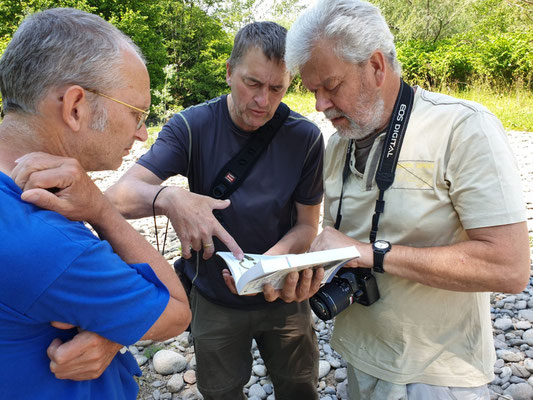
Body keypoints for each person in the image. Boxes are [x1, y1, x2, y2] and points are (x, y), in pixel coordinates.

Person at [285, 0, 530, 399]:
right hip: (358, 358)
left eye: (330, 86)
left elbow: (510, 267)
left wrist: (372, 253)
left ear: (377, 67)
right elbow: (342, 246)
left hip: (436, 375)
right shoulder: (337, 145)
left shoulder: (463, 128)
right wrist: (302, 274)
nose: (319, 105)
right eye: (313, 90)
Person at [105, 21, 325, 400]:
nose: (263, 101)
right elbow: (117, 197)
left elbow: (307, 225)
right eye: (252, 84)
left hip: (284, 293)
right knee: (220, 391)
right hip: (213, 297)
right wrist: (170, 198)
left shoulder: (305, 137)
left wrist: (269, 264)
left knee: (299, 385)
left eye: (277, 88)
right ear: (228, 72)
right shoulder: (192, 127)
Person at [0, 8, 191, 399]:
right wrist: (100, 209)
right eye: (137, 112)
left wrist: (107, 327)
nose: (142, 134)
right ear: (75, 107)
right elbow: (175, 312)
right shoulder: (48, 241)